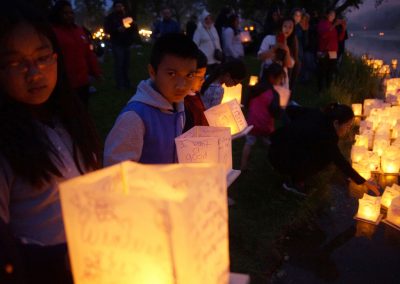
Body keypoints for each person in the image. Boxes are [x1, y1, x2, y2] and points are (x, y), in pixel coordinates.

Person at [0, 1, 101, 283]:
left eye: (42, 57)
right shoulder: (7, 145)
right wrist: (62, 261)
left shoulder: (70, 120)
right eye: (15, 63)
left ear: (56, 57)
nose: (34, 73)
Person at [104, 33, 198, 166]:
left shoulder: (178, 107)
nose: (181, 85)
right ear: (152, 72)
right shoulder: (134, 118)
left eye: (189, 75)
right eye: (171, 74)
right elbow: (115, 174)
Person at [268, 103, 380, 197]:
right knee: (325, 158)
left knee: (316, 150)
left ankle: (293, 168)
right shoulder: (327, 136)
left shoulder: (316, 113)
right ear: (336, 123)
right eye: (347, 126)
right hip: (280, 158)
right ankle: (294, 183)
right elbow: (340, 162)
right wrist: (363, 181)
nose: (348, 129)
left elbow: (290, 109)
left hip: (274, 148)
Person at [50, 0, 102, 109]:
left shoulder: (79, 31)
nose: (69, 16)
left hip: (82, 80)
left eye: (71, 13)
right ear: (58, 14)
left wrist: (96, 72)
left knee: (83, 107)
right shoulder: (53, 33)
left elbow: (88, 53)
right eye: (65, 13)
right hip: (65, 82)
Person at [240, 63, 285, 171]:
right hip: (265, 126)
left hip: (251, 124)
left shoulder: (255, 88)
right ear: (272, 77)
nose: (281, 82)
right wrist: (282, 109)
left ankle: (243, 166)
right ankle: (273, 164)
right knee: (269, 143)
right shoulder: (273, 94)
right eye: (280, 79)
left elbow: (246, 104)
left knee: (249, 143)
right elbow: (275, 112)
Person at [104, 0, 137, 90]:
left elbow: (133, 28)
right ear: (114, 8)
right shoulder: (110, 18)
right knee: (119, 64)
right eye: (117, 6)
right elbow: (107, 29)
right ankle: (120, 84)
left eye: (120, 6)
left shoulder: (126, 17)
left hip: (126, 43)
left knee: (126, 64)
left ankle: (127, 82)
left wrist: (132, 26)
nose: (119, 8)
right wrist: (117, 30)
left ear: (123, 7)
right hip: (117, 43)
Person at [258, 18, 297, 89]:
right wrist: (274, 48)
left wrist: (287, 50)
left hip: (281, 79)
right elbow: (260, 57)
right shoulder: (269, 39)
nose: (287, 29)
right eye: (285, 26)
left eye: (290, 27)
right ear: (280, 26)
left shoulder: (292, 43)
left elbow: (289, 65)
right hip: (267, 75)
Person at [316, 9, 346, 92]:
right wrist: (333, 26)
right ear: (327, 15)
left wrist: (343, 28)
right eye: (331, 14)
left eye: (334, 15)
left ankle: (328, 89)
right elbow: (323, 36)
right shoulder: (322, 24)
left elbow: (339, 38)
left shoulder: (332, 25)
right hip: (323, 51)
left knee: (330, 71)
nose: (333, 17)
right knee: (322, 71)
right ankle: (320, 90)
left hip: (333, 52)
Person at [183, 50, 209, 132]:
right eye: (199, 76)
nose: (203, 80)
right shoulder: (182, 102)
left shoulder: (196, 94)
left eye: (204, 75)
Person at [193, 10, 222, 74]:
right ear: (203, 20)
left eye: (210, 19)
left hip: (216, 59)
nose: (208, 21)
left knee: (216, 79)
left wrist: (220, 52)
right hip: (206, 61)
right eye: (206, 19)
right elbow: (194, 45)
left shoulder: (213, 29)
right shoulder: (199, 31)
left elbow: (218, 41)